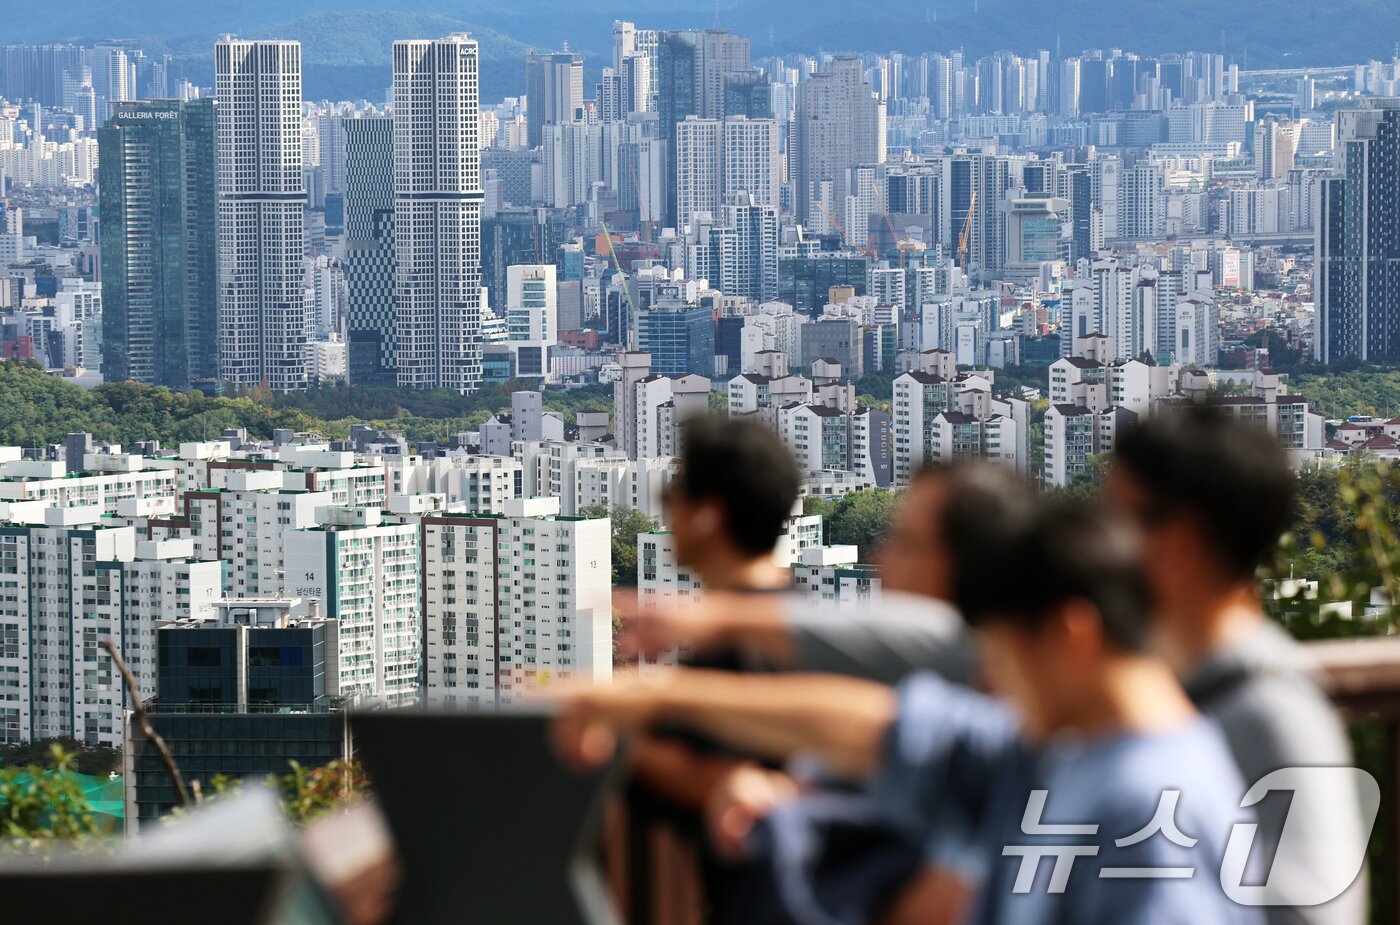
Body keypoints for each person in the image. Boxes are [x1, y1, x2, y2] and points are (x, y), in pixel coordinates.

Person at [555, 500, 1262, 925]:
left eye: (1005, 657)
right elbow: (875, 726)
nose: (995, 681)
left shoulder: (1150, 807)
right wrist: (658, 695)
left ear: (1072, 635)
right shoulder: (1061, 752)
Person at [1107, 410, 1370, 925]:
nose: (1097, 546)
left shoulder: (1271, 713)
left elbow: (1312, 914)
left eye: (1114, 521)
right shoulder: (1164, 684)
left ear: (1179, 544)